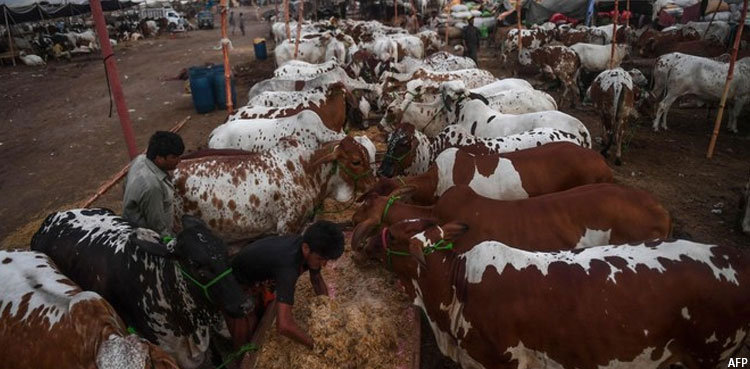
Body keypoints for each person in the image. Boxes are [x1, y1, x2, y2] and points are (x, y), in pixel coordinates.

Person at [228, 221, 345, 348]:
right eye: (321, 259)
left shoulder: (306, 246)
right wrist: (316, 345)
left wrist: (328, 311)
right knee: (247, 337)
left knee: (260, 314)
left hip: (256, 275)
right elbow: (283, 325)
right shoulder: (288, 267)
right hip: (233, 282)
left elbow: (316, 279)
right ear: (306, 249)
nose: (324, 264)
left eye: (326, 259)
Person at [122, 131, 184, 239]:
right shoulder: (152, 187)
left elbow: (125, 185)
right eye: (174, 157)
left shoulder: (140, 160)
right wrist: (169, 242)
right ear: (159, 158)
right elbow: (157, 226)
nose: (179, 160)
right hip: (146, 238)